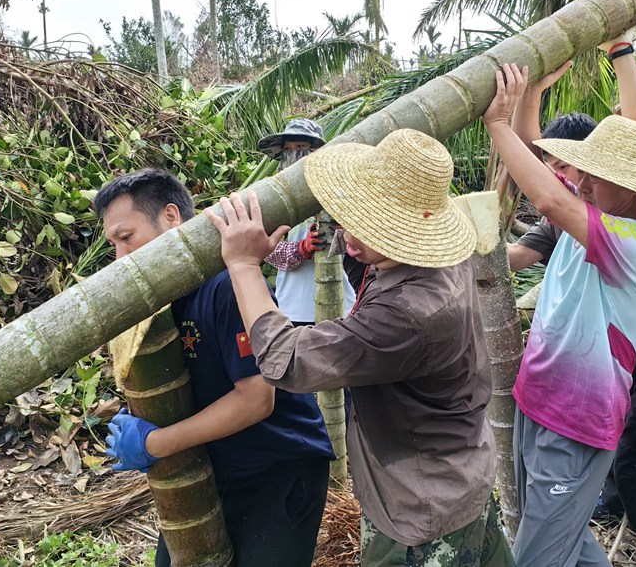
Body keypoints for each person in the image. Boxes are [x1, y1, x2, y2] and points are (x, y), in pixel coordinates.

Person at [204, 129, 513, 567]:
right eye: (356, 215)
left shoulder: (409, 314)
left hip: (421, 510)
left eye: (370, 222)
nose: (351, 232)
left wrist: (242, 264)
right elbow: (368, 268)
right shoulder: (436, 252)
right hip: (463, 475)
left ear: (407, 231)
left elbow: (285, 359)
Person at [485, 61, 636, 567]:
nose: (580, 182)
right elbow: (542, 170)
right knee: (571, 543)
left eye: (595, 175)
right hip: (539, 403)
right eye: (582, 171)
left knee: (539, 556)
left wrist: (496, 123)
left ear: (632, 186)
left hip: (575, 421)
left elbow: (549, 196)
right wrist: (528, 96)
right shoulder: (589, 224)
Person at [95, 169, 334, 567]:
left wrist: (155, 443)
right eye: (112, 245)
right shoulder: (156, 296)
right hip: (216, 465)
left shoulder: (224, 286)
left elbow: (258, 399)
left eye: (127, 237)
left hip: (277, 469)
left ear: (171, 217)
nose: (120, 257)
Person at [258, 118, 356, 326]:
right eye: (288, 149)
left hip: (340, 305)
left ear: (315, 152)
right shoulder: (274, 200)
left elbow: (360, 245)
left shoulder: (339, 191)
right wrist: (300, 250)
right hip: (291, 308)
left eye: (301, 147)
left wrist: (337, 234)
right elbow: (265, 249)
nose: (294, 153)